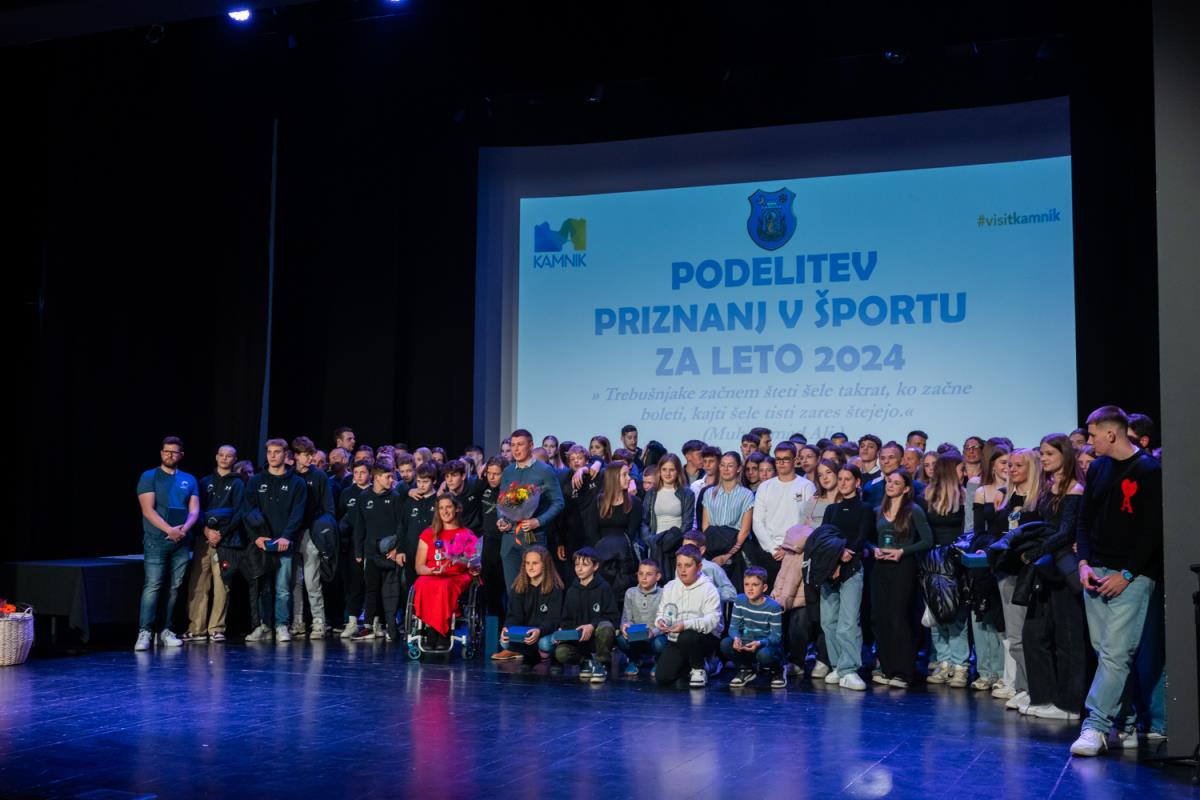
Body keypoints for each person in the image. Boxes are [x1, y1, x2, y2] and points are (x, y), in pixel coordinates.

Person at [1070, 406, 1163, 757]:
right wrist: (1083, 563)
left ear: (1111, 434)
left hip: (1131, 577)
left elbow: (1152, 532)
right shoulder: (1098, 468)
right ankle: (1124, 722)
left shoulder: (1150, 471)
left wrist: (1126, 575)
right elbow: (1084, 520)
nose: (1089, 440)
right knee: (1105, 652)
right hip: (1095, 571)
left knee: (1115, 653)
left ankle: (1095, 726)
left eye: (1093, 434)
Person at [1021, 434, 1086, 721]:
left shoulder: (1075, 488)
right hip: (1046, 568)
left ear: (1065, 455)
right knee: (1035, 633)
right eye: (1042, 453)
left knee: (1068, 638)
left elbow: (1065, 532)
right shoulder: (1048, 487)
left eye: (1049, 453)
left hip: (1063, 569)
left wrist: (1035, 551)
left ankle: (1069, 705)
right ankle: (1044, 696)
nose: (1043, 458)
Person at [135, 436, 201, 651]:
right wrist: (169, 530)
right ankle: (145, 631)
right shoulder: (149, 476)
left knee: (174, 587)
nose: (169, 455)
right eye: (166, 451)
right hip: (156, 540)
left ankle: (164, 630)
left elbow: (194, 510)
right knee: (153, 585)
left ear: (181, 455)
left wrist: (184, 529)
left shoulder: (189, 479)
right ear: (161, 453)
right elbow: (148, 510)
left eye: (174, 452)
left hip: (181, 541)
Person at [870, 469, 933, 688]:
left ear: (906, 488)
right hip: (880, 567)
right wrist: (873, 549)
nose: (890, 485)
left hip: (903, 567)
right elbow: (869, 539)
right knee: (881, 618)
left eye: (896, 483)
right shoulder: (878, 510)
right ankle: (886, 668)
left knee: (899, 617)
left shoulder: (913, 510)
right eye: (889, 481)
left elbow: (927, 540)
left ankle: (902, 671)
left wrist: (902, 552)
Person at [993, 447, 1044, 712]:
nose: (1011, 470)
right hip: (1007, 574)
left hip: (1030, 575)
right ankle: (1024, 688)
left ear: (1031, 468)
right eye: (1009, 465)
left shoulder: (1040, 501)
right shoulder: (1007, 499)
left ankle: (1035, 689)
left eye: (1018, 465)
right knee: (1014, 638)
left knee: (1029, 637)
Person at [243, 439, 308, 643]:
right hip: (262, 543)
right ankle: (264, 626)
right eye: (269, 452)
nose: (272, 455)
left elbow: (297, 514)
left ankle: (281, 625)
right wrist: (256, 537)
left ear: (285, 455)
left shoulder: (297, 482)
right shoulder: (256, 481)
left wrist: (286, 536)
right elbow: (247, 511)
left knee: (282, 588)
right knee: (263, 588)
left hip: (284, 543)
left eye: (277, 452)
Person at [182, 444, 243, 644]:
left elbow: (240, 513)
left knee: (222, 584)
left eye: (229, 456)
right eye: (221, 455)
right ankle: (196, 629)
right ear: (216, 457)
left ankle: (217, 628)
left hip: (226, 541)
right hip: (204, 539)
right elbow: (196, 509)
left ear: (234, 460)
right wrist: (206, 530)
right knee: (198, 583)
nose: (225, 458)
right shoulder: (204, 481)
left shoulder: (238, 483)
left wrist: (221, 534)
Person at [818, 465, 870, 690]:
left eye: (848, 479)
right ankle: (838, 665)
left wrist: (844, 556)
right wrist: (833, 559)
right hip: (829, 568)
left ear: (857, 482)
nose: (843, 483)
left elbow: (861, 537)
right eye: (840, 479)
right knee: (828, 620)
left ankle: (849, 669)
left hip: (851, 567)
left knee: (847, 622)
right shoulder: (831, 509)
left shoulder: (865, 508)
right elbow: (824, 536)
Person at [923, 452, 970, 688]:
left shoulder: (964, 496)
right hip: (932, 562)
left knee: (956, 614)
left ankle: (960, 666)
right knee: (936, 613)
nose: (965, 473)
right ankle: (943, 662)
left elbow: (968, 530)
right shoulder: (928, 495)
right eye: (962, 469)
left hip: (955, 560)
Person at [497, 429, 565, 591]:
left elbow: (558, 502)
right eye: (513, 445)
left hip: (533, 537)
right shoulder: (508, 471)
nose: (516, 449)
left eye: (520, 444)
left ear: (531, 445)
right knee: (512, 590)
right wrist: (502, 519)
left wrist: (538, 521)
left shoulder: (544, 470)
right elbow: (501, 501)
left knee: (535, 588)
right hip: (509, 538)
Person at [411, 494, 480, 649]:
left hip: (457, 576)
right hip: (432, 574)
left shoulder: (466, 533)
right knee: (421, 583)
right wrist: (432, 570)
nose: (445, 511)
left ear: (457, 509)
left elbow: (474, 562)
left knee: (444, 586)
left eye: (448, 507)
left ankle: (442, 632)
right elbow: (419, 567)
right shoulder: (428, 534)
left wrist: (471, 565)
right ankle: (431, 630)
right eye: (441, 508)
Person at [972, 444, 1012, 697]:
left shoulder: (1018, 492)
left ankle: (1003, 673)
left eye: (1010, 463)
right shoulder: (982, 492)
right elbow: (978, 529)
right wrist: (984, 549)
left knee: (1003, 616)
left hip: (1008, 555)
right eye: (1003, 463)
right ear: (993, 466)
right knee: (983, 614)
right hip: (986, 553)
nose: (1007, 467)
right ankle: (986, 671)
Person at [654, 545, 724, 688]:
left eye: (688, 565)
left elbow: (712, 621)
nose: (682, 570)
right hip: (677, 638)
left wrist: (685, 625)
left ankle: (699, 668)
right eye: (679, 565)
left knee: (688, 635)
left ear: (699, 567)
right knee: (663, 677)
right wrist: (661, 621)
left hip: (703, 638)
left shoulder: (709, 589)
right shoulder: (670, 587)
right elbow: (663, 612)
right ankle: (692, 665)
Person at [352, 463, 406, 641]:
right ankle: (368, 625)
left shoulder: (395, 496)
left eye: (392, 476)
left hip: (390, 552)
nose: (391, 480)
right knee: (371, 589)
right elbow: (359, 525)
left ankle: (389, 624)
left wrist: (397, 548)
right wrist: (358, 550)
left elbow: (401, 525)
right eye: (387, 477)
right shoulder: (364, 497)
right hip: (371, 551)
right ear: (376, 477)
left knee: (390, 591)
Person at [749, 442, 813, 590]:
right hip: (769, 552)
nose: (781, 463)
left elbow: (809, 522)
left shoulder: (806, 486)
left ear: (795, 460)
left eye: (786, 459)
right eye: (778, 459)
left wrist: (790, 548)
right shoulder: (765, 487)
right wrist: (773, 549)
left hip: (796, 553)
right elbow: (758, 521)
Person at [290, 436, 336, 639]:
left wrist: (322, 531)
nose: (310, 458)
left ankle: (318, 621)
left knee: (312, 580)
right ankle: (297, 621)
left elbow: (328, 508)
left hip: (311, 532)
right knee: (294, 581)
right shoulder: (290, 475)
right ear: (295, 456)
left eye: (311, 454)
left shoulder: (319, 476)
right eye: (306, 455)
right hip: (292, 534)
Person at [555, 547, 619, 683]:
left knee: (606, 627)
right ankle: (585, 662)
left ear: (595, 566)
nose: (579, 568)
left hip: (598, 639)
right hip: (579, 641)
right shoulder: (572, 591)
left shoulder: (604, 588)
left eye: (584, 564)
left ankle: (601, 663)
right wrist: (563, 633)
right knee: (561, 652)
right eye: (577, 564)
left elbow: (613, 618)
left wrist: (592, 625)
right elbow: (565, 620)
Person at [582, 462, 642, 599]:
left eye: (628, 474)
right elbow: (591, 531)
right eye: (624, 475)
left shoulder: (635, 503)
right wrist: (602, 552)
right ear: (613, 478)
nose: (629, 478)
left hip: (624, 556)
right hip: (601, 555)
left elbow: (631, 533)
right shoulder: (598, 502)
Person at [497, 545, 564, 665]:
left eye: (535, 563)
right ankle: (531, 656)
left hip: (545, 632)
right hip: (527, 633)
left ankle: (555, 659)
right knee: (505, 642)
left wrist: (539, 631)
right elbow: (513, 615)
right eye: (527, 563)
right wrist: (507, 628)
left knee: (544, 643)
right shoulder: (519, 587)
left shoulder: (555, 588)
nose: (530, 567)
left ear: (545, 565)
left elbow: (554, 619)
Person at [722, 566, 786, 688]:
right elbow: (733, 627)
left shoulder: (773, 607)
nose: (750, 589)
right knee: (726, 643)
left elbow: (776, 636)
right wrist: (736, 638)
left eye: (755, 585)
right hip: (747, 642)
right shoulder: (740, 600)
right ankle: (746, 669)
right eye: (746, 584)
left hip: (765, 645)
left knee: (764, 655)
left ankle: (778, 670)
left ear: (764, 587)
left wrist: (760, 643)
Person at [336, 461, 371, 638]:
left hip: (371, 545)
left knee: (371, 585)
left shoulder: (374, 492)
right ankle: (351, 622)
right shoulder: (347, 493)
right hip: (351, 547)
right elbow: (341, 517)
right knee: (353, 585)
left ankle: (372, 623)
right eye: (356, 472)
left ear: (370, 474)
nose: (359, 476)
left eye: (362, 472)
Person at [617, 560, 666, 675]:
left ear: (657, 576)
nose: (644, 577)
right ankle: (634, 659)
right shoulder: (630, 592)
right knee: (621, 639)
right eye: (641, 573)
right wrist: (625, 627)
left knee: (660, 643)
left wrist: (653, 632)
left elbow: (666, 621)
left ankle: (659, 661)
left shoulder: (664, 593)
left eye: (649, 574)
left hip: (655, 636)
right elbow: (626, 618)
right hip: (637, 635)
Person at [681, 530, 738, 603]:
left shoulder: (712, 568)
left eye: (690, 548)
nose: (685, 552)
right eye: (683, 548)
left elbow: (732, 593)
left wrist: (711, 591)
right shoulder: (679, 568)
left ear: (702, 550)